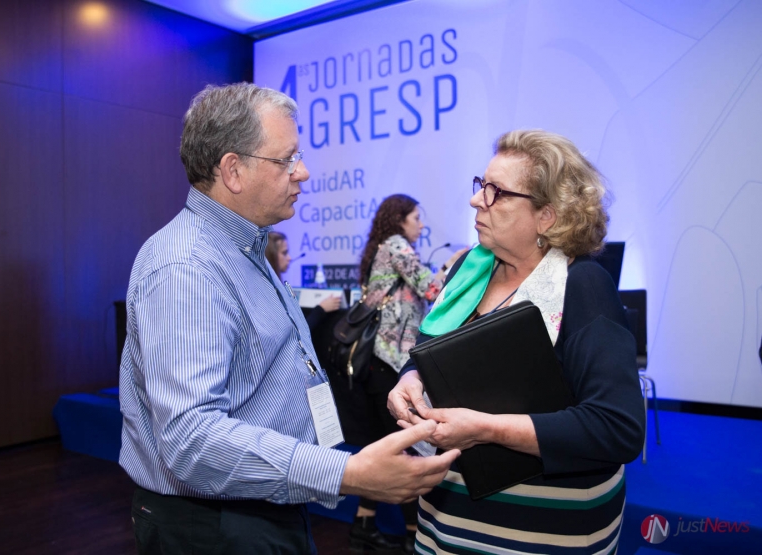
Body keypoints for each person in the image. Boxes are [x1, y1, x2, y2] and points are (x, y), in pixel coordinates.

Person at [118, 83, 460, 555]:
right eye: (287, 159)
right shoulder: (188, 267)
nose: (303, 171)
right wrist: (347, 472)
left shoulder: (245, 247)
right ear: (233, 171)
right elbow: (191, 439)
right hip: (216, 526)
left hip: (260, 506)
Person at [388, 130, 646, 555]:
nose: (476, 200)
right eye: (481, 185)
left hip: (544, 529)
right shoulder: (469, 269)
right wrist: (410, 377)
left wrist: (486, 429)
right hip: (445, 518)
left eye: (497, 192)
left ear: (546, 216)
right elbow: (427, 346)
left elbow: (617, 429)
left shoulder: (583, 286)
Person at [349, 194, 466, 554]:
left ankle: (363, 526)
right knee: (406, 451)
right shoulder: (397, 244)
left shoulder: (383, 246)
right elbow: (432, 289)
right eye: (416, 217)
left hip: (379, 364)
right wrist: (453, 264)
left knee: (387, 445)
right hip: (389, 363)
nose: (421, 224)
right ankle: (414, 536)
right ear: (400, 219)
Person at [265, 231, 341, 330]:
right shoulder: (268, 292)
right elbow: (295, 332)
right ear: (271, 256)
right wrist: (321, 309)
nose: (289, 258)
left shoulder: (278, 287)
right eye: (284, 253)